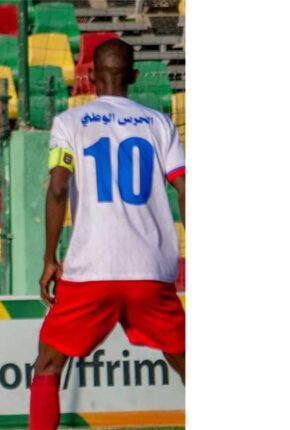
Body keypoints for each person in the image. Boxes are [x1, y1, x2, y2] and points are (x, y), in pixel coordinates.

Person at [28, 39, 186, 429]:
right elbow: (185, 188)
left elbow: (58, 189)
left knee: (48, 364)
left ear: (89, 76)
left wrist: (49, 258)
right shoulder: (159, 123)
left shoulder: (69, 122)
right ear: (134, 76)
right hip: (149, 269)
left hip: (91, 270)